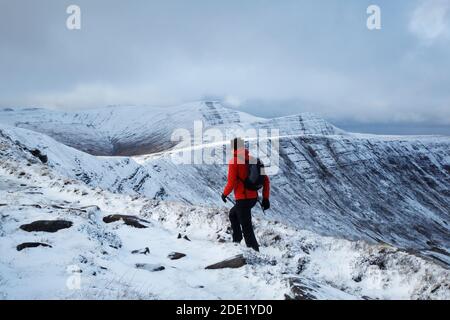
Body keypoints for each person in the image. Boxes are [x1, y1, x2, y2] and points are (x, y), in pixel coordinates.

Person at [221, 138, 270, 252]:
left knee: (246, 226)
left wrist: (224, 194)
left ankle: (254, 251)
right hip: (253, 198)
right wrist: (266, 198)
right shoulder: (255, 160)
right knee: (233, 214)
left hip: (243, 199)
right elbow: (266, 180)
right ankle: (237, 240)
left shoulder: (234, 161)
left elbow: (231, 182)